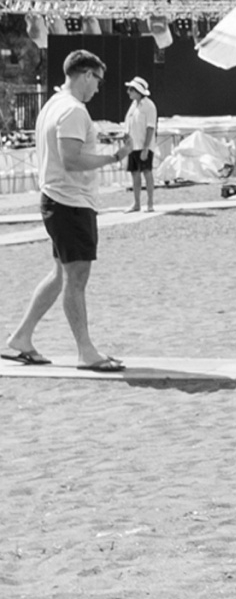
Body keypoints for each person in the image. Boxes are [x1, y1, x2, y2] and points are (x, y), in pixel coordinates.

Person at [3, 51, 123, 372]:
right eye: (97, 80)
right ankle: (85, 351)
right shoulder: (72, 110)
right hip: (70, 202)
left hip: (58, 200)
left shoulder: (53, 105)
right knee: (76, 279)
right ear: (85, 75)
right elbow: (71, 160)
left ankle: (21, 338)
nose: (98, 87)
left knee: (61, 275)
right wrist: (113, 158)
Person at [124, 75, 158, 214]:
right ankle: (136, 203)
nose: (129, 92)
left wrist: (145, 148)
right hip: (133, 145)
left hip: (144, 146)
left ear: (138, 91)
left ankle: (150, 203)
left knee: (147, 172)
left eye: (131, 89)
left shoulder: (149, 106)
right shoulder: (133, 106)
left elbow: (150, 128)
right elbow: (129, 123)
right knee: (135, 174)